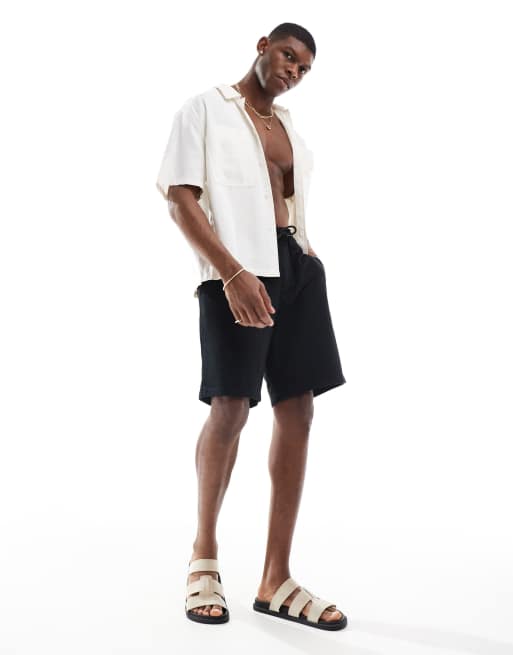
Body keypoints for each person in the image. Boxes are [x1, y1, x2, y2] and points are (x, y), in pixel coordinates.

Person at [156, 22, 347, 631]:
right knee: (231, 406)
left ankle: (275, 578)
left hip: (296, 266)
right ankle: (203, 559)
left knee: (299, 410)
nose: (294, 71)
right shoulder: (205, 109)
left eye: (304, 69)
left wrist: (306, 255)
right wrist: (232, 273)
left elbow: (285, 201)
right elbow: (180, 198)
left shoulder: (287, 127)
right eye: (289, 56)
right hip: (236, 267)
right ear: (263, 46)